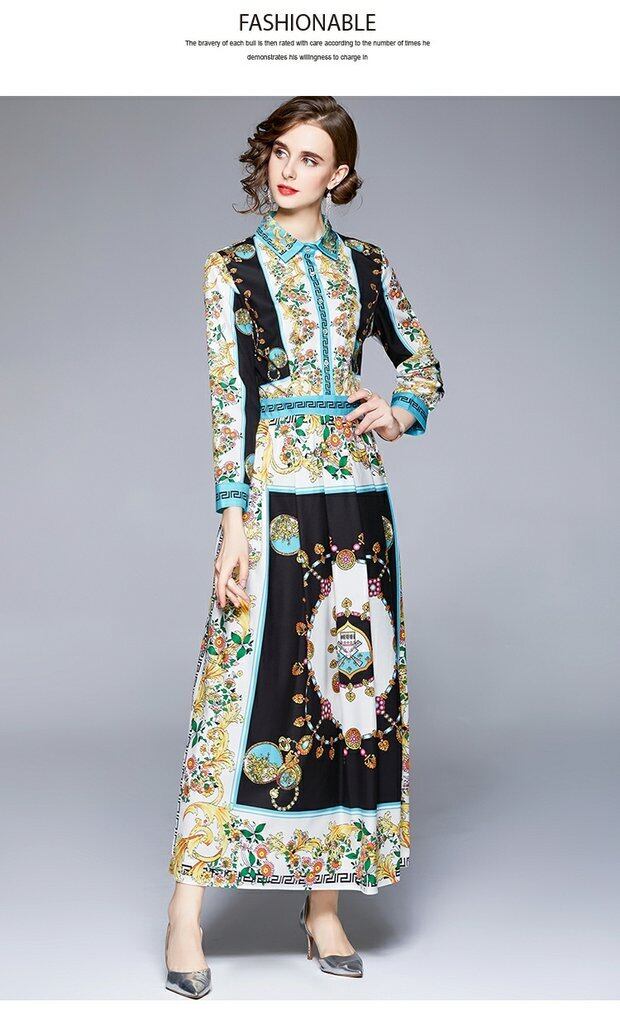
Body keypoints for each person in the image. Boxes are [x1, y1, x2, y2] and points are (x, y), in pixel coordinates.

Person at [164, 95, 445, 997]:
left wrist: (398, 411)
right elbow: (230, 402)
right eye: (281, 152)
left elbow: (423, 363)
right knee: (238, 689)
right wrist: (230, 523)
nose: (288, 171)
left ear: (341, 174)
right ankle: (184, 913)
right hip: (272, 495)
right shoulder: (232, 271)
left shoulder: (368, 265)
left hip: (358, 504)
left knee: (346, 690)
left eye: (311, 158)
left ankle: (325, 906)